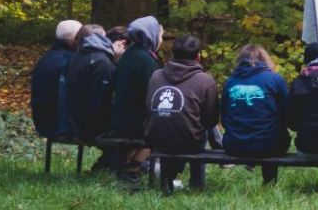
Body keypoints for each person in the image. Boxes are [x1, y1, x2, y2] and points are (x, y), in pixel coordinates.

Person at [140, 35, 218, 193]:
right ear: (198, 57)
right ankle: (197, 184)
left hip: (154, 137)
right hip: (188, 140)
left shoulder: (156, 75)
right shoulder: (205, 80)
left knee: (171, 125)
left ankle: (166, 181)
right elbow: (211, 119)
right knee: (197, 130)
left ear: (173, 55)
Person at [221, 44, 291, 183]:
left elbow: (224, 116)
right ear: (265, 59)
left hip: (234, 144)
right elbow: (287, 113)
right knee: (273, 136)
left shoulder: (231, 81)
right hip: (270, 145)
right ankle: (270, 182)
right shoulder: (275, 80)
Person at [110, 16, 162, 183]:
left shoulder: (129, 54)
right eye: (160, 34)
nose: (161, 39)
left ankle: (130, 163)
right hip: (135, 122)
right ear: (151, 35)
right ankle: (133, 166)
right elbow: (151, 95)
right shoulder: (145, 60)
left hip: (121, 117)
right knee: (166, 128)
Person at [62, 24, 120, 170]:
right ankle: (112, 164)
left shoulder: (78, 57)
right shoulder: (101, 61)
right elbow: (100, 101)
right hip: (90, 126)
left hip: (74, 120)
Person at [28, 19, 81, 139]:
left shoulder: (46, 58)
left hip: (42, 123)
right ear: (74, 37)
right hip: (60, 127)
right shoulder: (68, 61)